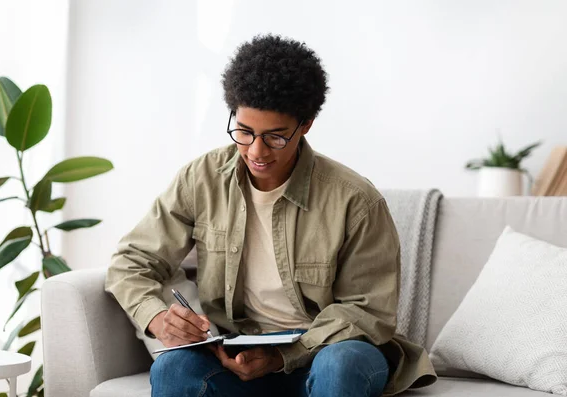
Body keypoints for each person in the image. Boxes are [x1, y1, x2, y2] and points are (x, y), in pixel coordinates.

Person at [106, 34, 437, 397]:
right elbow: (131, 260)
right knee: (173, 368)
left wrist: (283, 355)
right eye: (244, 132)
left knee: (340, 364)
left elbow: (368, 311)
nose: (256, 151)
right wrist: (155, 317)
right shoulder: (201, 179)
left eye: (275, 137)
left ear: (305, 124)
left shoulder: (355, 200)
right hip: (238, 357)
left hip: (328, 354)